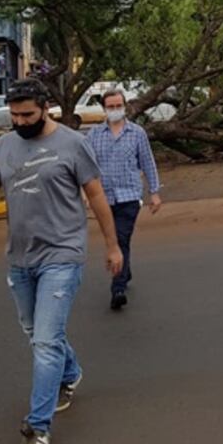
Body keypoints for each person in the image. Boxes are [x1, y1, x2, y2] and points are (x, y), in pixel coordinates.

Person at [0, 78, 123, 444]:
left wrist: (113, 245)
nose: (19, 122)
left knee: (45, 342)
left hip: (62, 254)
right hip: (20, 257)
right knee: (37, 333)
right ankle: (71, 374)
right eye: (14, 115)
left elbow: (96, 195)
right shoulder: (3, 144)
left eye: (27, 115)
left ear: (46, 107)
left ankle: (38, 428)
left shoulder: (72, 143)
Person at [86, 89, 162, 311]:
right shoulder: (93, 135)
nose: (115, 110)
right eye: (110, 106)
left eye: (118, 105)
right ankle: (125, 271)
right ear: (104, 109)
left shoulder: (137, 133)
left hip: (129, 195)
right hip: (104, 197)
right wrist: (84, 194)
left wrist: (154, 192)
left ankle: (117, 288)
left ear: (125, 106)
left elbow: (148, 162)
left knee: (120, 238)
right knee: (116, 239)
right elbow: (86, 167)